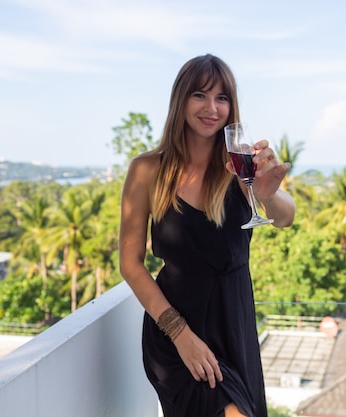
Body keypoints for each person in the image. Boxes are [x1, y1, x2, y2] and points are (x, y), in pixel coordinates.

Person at [119, 54, 295, 417]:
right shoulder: (147, 170)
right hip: (175, 332)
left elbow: (285, 218)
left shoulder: (240, 164)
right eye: (200, 95)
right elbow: (130, 264)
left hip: (235, 324)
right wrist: (181, 336)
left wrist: (268, 194)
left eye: (222, 97)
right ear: (181, 99)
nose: (211, 107)